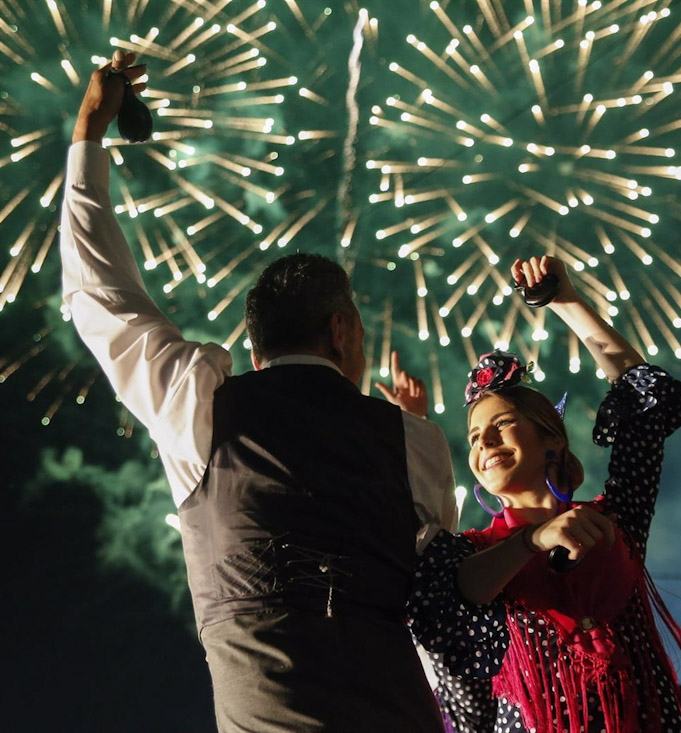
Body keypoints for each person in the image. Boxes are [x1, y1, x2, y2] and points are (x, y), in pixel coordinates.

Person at [60, 51, 459, 731]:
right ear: (341, 330)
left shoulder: (201, 407)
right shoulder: (415, 441)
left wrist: (90, 130)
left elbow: (102, 300)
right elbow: (442, 610)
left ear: (254, 347)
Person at [401, 255, 681, 733]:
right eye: (475, 438)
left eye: (501, 426)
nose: (485, 444)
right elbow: (444, 604)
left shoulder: (613, 522)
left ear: (552, 440)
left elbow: (645, 405)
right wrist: (531, 541)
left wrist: (566, 302)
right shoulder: (472, 554)